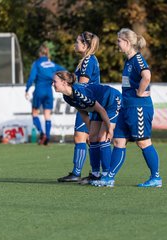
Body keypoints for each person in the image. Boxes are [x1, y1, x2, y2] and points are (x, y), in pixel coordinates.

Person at [93, 28, 162, 188]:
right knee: (118, 141)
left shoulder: (138, 60)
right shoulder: (129, 61)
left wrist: (139, 92)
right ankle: (109, 177)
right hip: (126, 107)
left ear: (127, 42)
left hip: (138, 108)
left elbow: (147, 76)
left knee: (143, 142)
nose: (117, 44)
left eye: (119, 41)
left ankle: (156, 177)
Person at [53, 71, 121, 181]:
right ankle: (95, 174)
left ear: (64, 82)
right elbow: (82, 112)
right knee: (93, 137)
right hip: (100, 105)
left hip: (111, 101)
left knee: (102, 138)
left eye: (55, 81)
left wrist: (110, 128)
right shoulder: (67, 97)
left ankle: (106, 175)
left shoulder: (80, 93)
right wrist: (90, 130)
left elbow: (101, 110)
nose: (53, 84)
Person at [57, 31, 103, 183]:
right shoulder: (87, 59)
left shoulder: (88, 61)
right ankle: (89, 172)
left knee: (84, 137)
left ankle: (88, 173)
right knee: (85, 137)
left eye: (77, 42)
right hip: (88, 104)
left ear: (85, 45)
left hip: (87, 104)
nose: (75, 44)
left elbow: (83, 86)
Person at [25, 42, 65, 145]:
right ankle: (47, 135)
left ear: (39, 53)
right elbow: (64, 71)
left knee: (34, 113)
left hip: (39, 90)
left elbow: (31, 78)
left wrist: (27, 89)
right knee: (47, 115)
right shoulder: (52, 64)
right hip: (49, 91)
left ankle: (42, 133)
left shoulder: (37, 63)